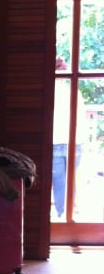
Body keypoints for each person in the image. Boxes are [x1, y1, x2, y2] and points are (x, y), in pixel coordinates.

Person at [52, 57, 86, 218]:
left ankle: (62, 214)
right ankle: (70, 214)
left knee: (59, 181)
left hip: (56, 141)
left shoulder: (49, 92)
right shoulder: (73, 91)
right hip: (74, 141)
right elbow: (81, 118)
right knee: (71, 180)